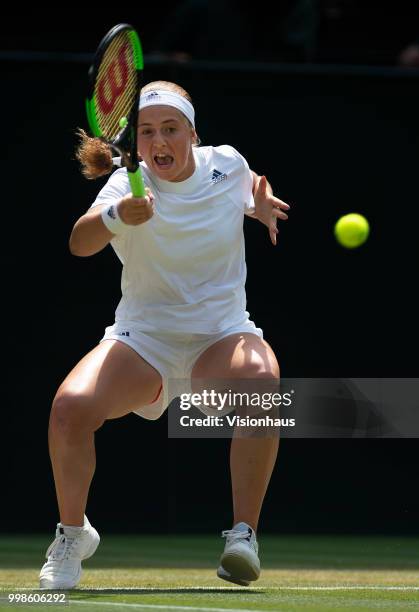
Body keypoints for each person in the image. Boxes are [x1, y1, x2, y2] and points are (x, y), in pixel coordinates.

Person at [39, 80, 290, 589]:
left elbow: (248, 189)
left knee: (264, 387)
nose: (159, 141)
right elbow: (79, 243)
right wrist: (118, 216)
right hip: (143, 342)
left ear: (192, 135)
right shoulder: (125, 185)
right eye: (148, 131)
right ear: (136, 143)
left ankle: (243, 536)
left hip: (220, 337)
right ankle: (72, 535)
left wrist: (258, 207)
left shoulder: (227, 164)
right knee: (69, 409)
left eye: (170, 129)